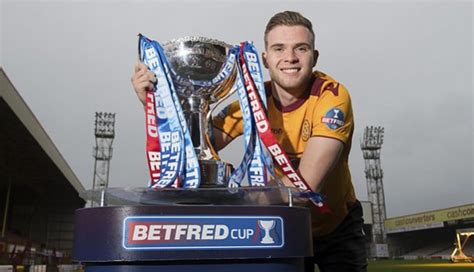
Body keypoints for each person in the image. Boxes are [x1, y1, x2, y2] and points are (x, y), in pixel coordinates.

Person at [131, 10, 367, 272]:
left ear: (315, 56)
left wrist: (233, 197)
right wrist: (156, 105)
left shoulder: (331, 97)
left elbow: (304, 190)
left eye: (300, 48)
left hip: (335, 226)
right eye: (279, 49)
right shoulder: (253, 100)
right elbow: (192, 148)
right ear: (265, 59)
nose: (290, 58)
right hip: (281, 223)